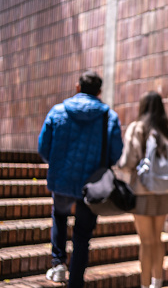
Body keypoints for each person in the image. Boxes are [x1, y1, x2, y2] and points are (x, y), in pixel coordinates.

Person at [38, 70, 123, 288]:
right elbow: (115, 153)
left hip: (62, 178)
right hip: (92, 185)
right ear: (99, 91)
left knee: (59, 217)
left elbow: (43, 147)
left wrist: (57, 163)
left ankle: (58, 265)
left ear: (78, 87)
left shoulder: (58, 111)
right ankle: (76, 281)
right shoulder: (108, 116)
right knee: (83, 234)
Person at [117, 91, 168, 288]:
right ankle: (157, 282)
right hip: (165, 191)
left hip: (142, 192)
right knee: (157, 239)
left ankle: (145, 285)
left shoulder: (137, 127)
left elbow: (128, 161)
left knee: (146, 241)